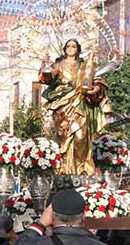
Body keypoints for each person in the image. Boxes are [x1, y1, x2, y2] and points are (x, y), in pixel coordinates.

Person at [38, 38, 111, 175]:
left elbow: (94, 79)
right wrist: (44, 64)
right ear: (65, 49)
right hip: (62, 105)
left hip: (80, 101)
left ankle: (82, 167)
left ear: (78, 49)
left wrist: (96, 88)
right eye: (68, 46)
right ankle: (65, 169)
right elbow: (46, 79)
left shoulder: (83, 65)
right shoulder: (57, 65)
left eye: (73, 46)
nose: (71, 48)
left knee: (80, 135)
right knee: (63, 138)